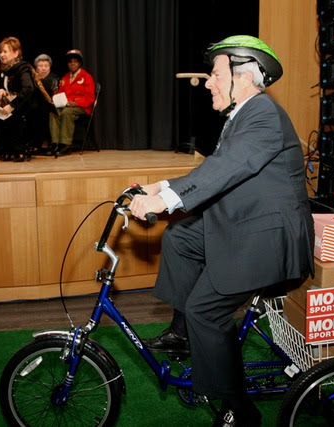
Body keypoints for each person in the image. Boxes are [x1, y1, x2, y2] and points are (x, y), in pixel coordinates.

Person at [128, 35, 315, 427]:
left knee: (205, 310)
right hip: (248, 223)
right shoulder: (244, 114)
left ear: (243, 77)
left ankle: (240, 410)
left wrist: (165, 202)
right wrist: (160, 187)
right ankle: (184, 333)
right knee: (179, 238)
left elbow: (228, 167)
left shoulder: (262, 113)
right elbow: (215, 168)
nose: (208, 82)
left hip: (268, 239)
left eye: (215, 74)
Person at [0, 36, 44, 161]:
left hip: (26, 104)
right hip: (13, 103)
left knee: (11, 115)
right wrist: (0, 90)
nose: (2, 55)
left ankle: (19, 149)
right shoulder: (5, 70)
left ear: (15, 53)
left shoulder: (22, 68)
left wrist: (12, 105)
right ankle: (7, 147)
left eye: (5, 51)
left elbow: (28, 89)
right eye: (0, 52)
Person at [45, 49, 95, 156]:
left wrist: (75, 102)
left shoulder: (86, 77)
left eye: (75, 61)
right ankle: (55, 143)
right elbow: (60, 93)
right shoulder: (65, 78)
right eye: (70, 62)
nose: (72, 64)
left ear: (80, 63)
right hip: (66, 106)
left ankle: (66, 145)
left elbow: (90, 98)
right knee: (54, 112)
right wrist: (55, 99)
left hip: (82, 107)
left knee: (67, 112)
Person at [31, 53, 58, 151]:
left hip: (50, 106)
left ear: (50, 67)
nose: (43, 68)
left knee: (42, 110)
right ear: (36, 68)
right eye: (41, 66)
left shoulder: (54, 78)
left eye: (46, 66)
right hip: (34, 106)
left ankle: (44, 141)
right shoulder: (32, 78)